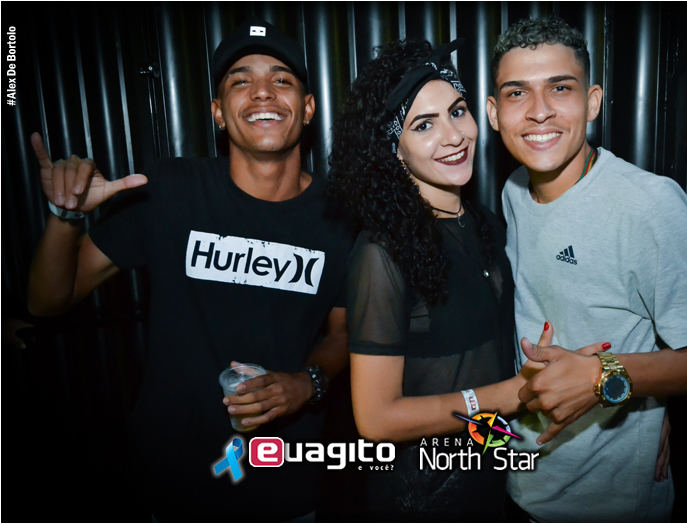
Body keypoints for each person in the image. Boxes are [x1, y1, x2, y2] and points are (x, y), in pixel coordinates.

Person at [27, 19, 355, 522]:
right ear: (218, 112)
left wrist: (305, 383)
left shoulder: (341, 217)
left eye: (281, 79)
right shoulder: (170, 190)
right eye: (241, 81)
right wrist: (65, 215)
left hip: (283, 485)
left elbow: (343, 332)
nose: (262, 92)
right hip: (170, 483)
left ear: (307, 108)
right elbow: (48, 301)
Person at [329, 39, 609, 521]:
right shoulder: (382, 253)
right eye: (424, 125)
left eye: (457, 112)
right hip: (420, 498)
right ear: (393, 149)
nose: (454, 135)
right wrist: (509, 395)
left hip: (490, 480)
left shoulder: (487, 224)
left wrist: (642, 417)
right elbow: (374, 419)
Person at [485, 15, 687, 522]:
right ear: (494, 113)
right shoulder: (513, 190)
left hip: (612, 501)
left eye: (560, 88)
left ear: (593, 102)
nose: (539, 111)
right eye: (517, 93)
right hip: (524, 482)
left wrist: (606, 376)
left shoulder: (647, 205)